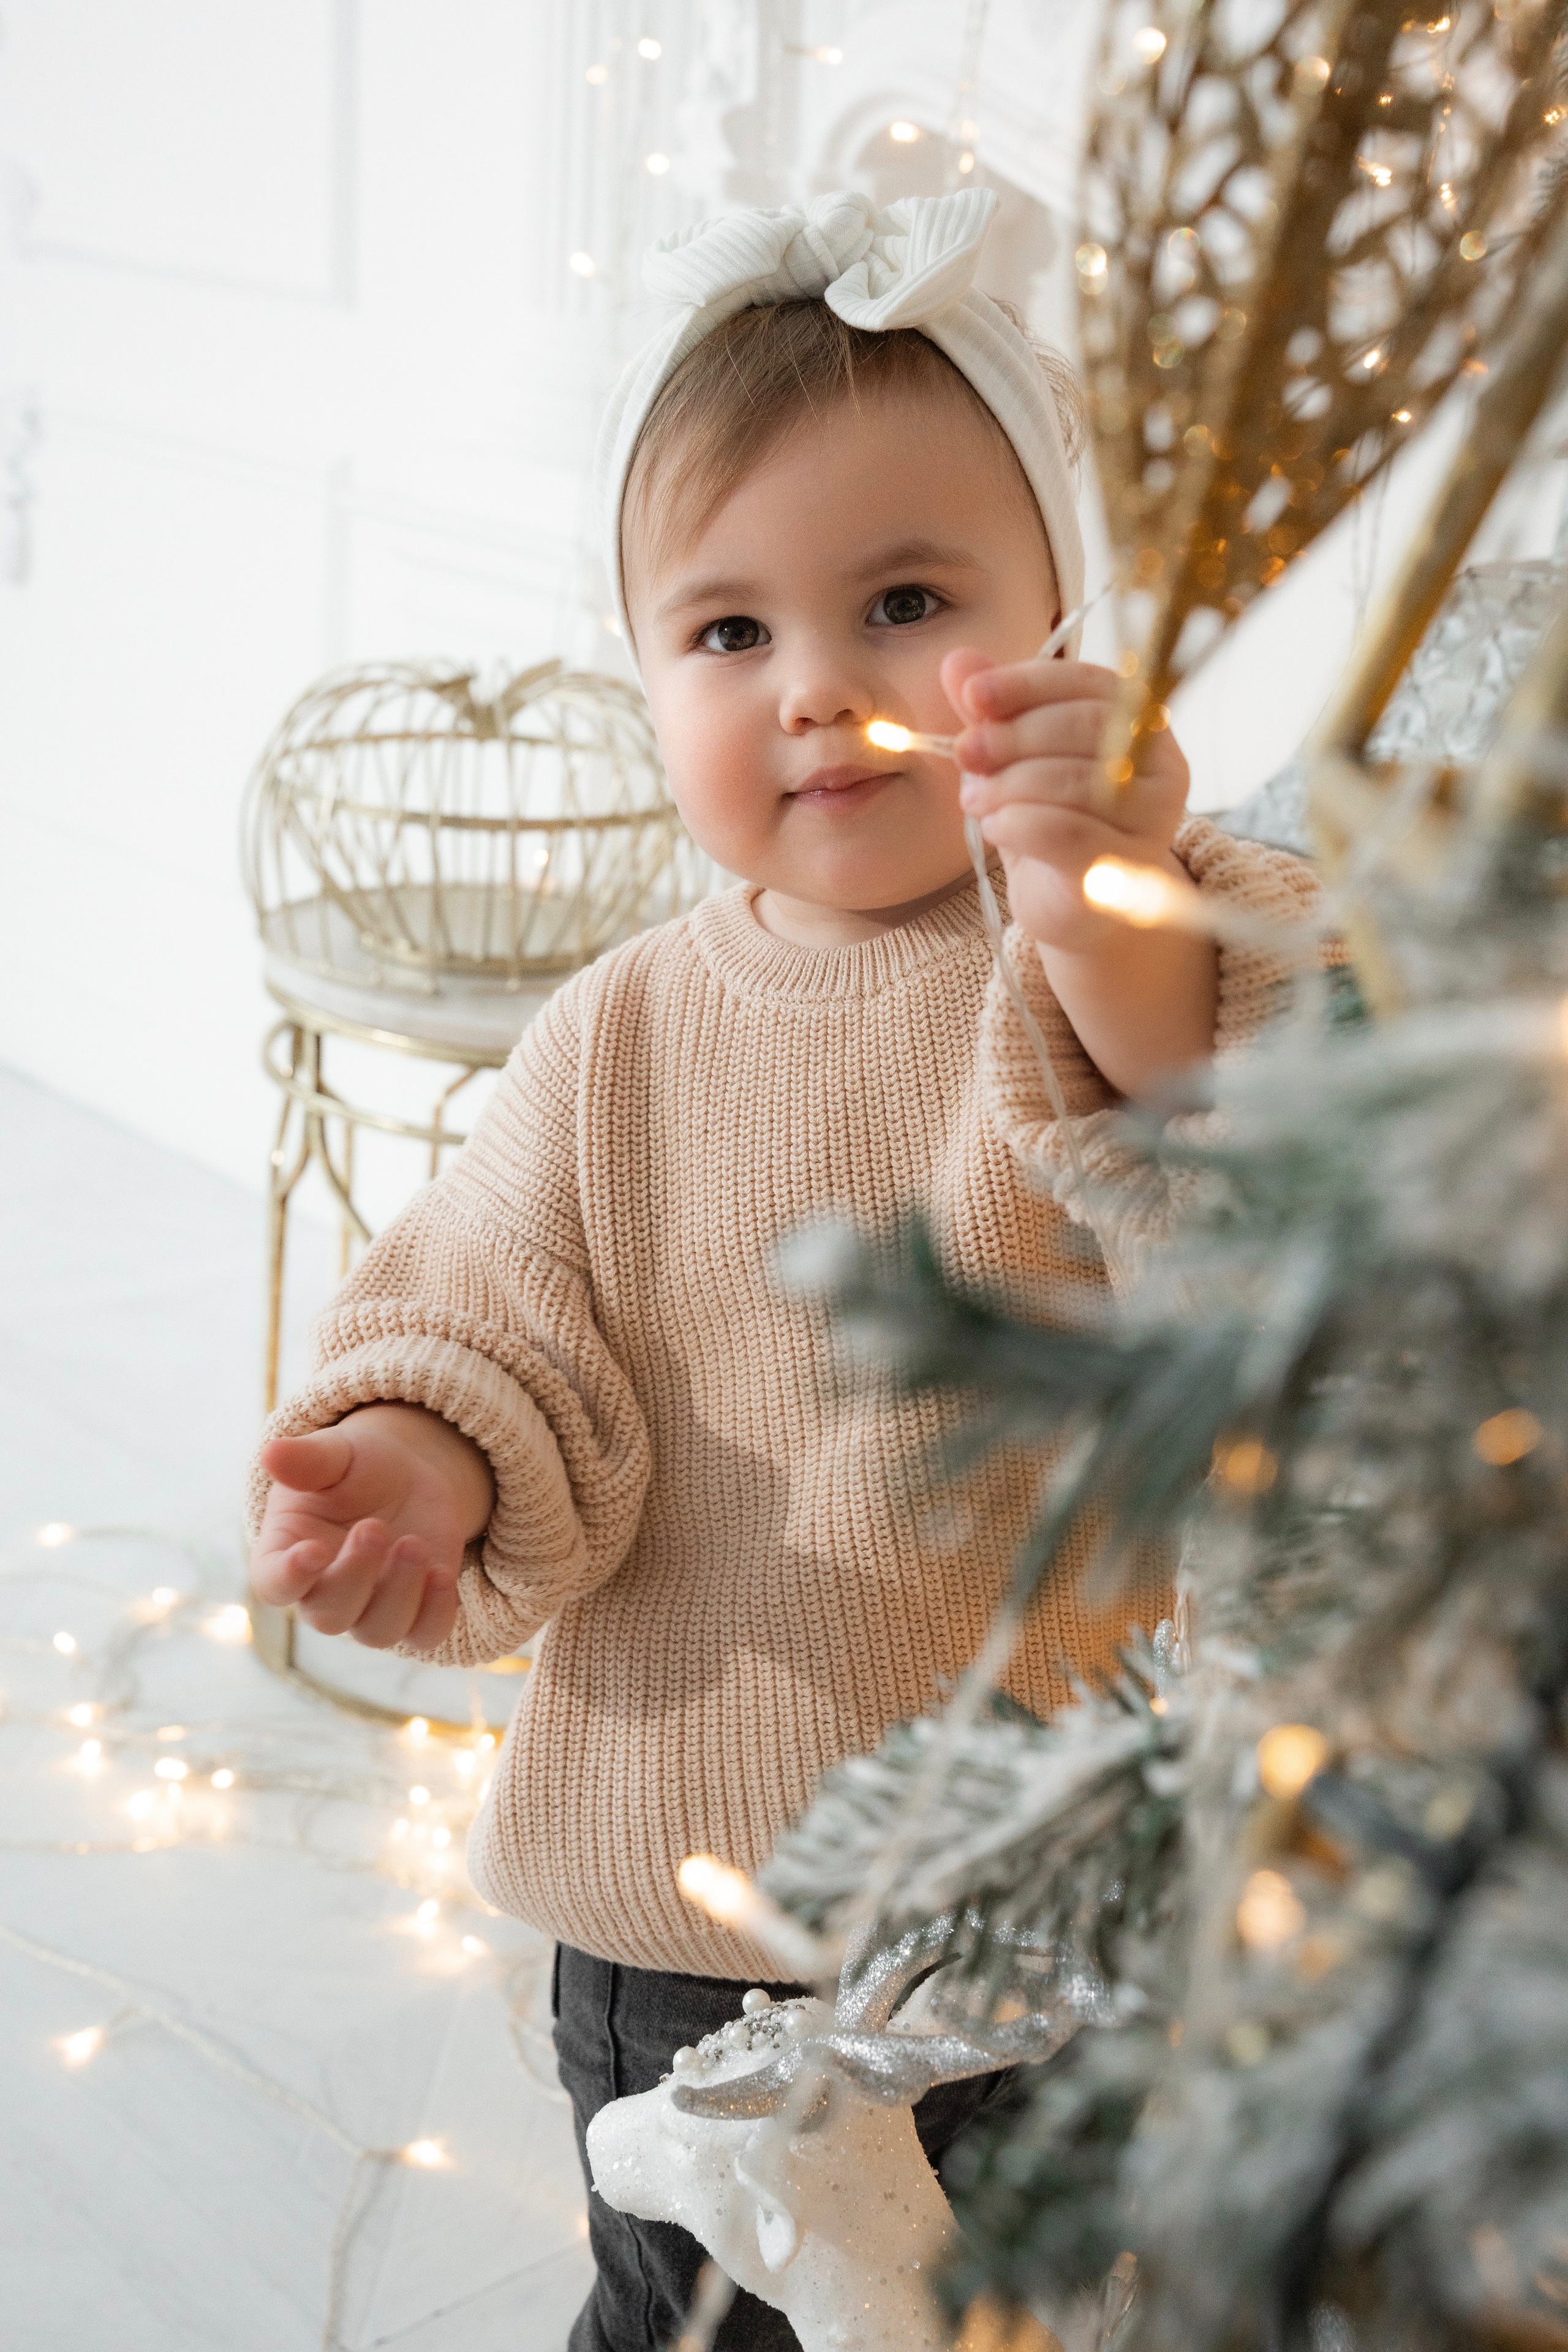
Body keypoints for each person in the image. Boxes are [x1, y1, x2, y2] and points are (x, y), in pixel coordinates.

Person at [247, 189, 1321, 2350]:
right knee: (688, 2320)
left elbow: (1274, 1193)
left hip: (1041, 1924)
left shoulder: (1142, 923)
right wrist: (414, 1462)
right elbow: (491, 1305)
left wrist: (1112, 916)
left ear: (1059, 621)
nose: (817, 694)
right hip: (680, 1924)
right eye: (728, 637)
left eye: (905, 604)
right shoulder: (620, 1028)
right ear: (645, 670)